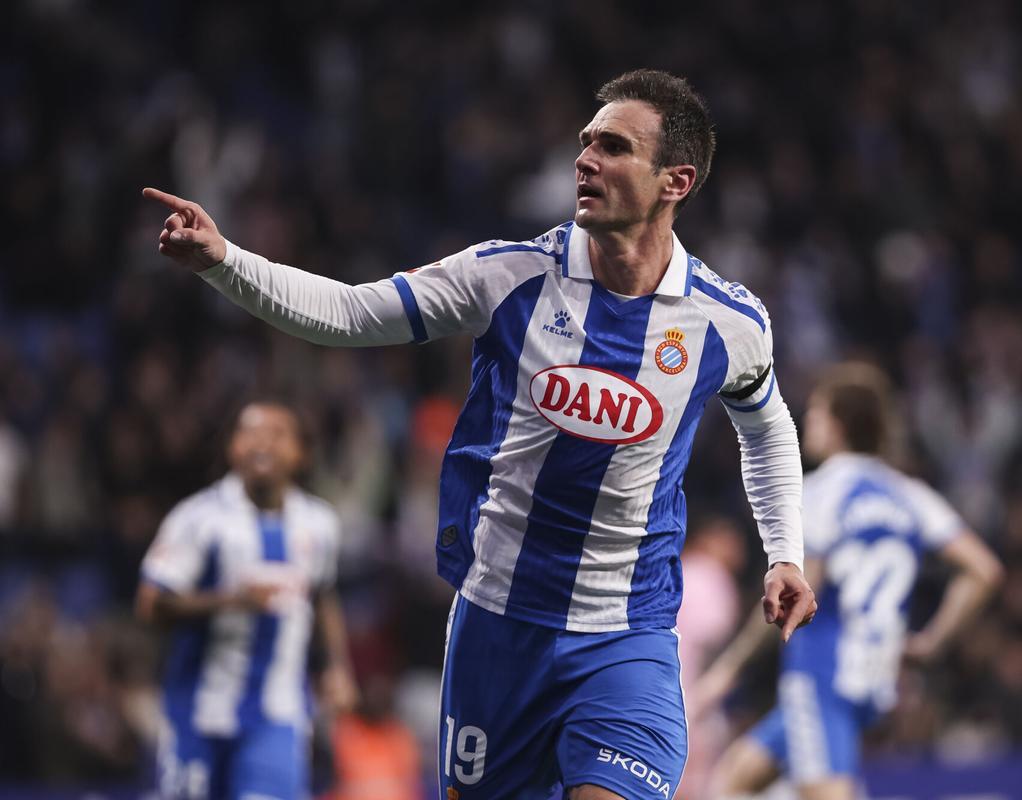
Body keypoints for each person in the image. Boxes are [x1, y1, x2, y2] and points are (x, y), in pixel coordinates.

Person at [143, 68, 817, 800]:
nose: (584, 160)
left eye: (614, 147)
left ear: (674, 181)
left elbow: (767, 426)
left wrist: (785, 552)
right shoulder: (508, 275)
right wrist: (225, 262)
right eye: (586, 142)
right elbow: (349, 313)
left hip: (629, 634)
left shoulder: (729, 322)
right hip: (498, 624)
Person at [691, 362, 1004, 800]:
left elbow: (797, 592)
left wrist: (728, 670)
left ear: (838, 425)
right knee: (734, 782)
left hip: (822, 676)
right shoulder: (910, 495)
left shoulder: (820, 492)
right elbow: (984, 570)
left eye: (816, 413)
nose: (808, 424)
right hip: (874, 679)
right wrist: (933, 641)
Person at [136, 401, 358, 800]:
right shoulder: (198, 519)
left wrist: (337, 668)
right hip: (197, 715)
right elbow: (151, 604)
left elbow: (323, 594)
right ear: (232, 448)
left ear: (301, 453)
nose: (262, 444)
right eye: (250, 433)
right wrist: (230, 601)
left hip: (278, 717)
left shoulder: (320, 524)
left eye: (276, 434)